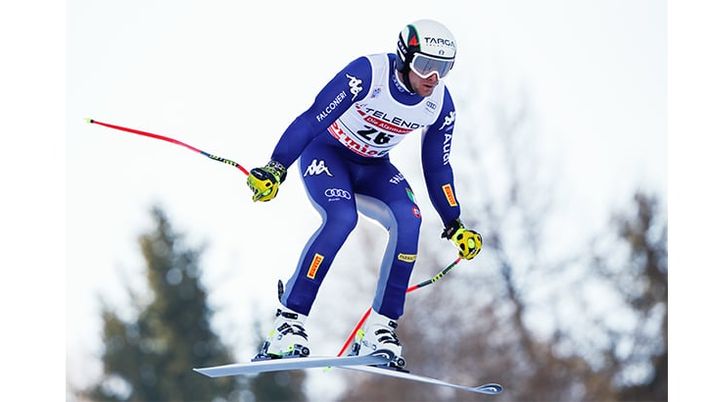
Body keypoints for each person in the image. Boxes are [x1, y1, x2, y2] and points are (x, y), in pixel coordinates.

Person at [247, 19, 482, 367]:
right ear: (405, 57)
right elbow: (312, 119)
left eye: (443, 69)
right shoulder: (369, 74)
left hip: (374, 168)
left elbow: (437, 167)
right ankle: (288, 323)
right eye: (425, 65)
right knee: (342, 219)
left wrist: (454, 222)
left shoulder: (439, 104)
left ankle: (379, 329)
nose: (433, 77)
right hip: (327, 154)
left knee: (410, 220)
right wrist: (276, 166)